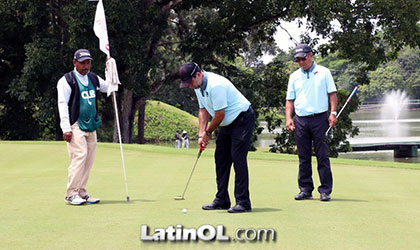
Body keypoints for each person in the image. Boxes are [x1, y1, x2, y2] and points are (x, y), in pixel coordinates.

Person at [179, 62, 255, 213]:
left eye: (190, 81)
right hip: (226, 123)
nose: (189, 86)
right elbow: (203, 110)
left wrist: (208, 133)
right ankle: (222, 199)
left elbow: (220, 114)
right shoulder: (198, 86)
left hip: (242, 119)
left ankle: (243, 202)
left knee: (237, 158)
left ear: (198, 75)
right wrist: (201, 134)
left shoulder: (216, 85)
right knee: (220, 159)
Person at [57, 49, 110, 205]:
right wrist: (65, 128)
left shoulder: (93, 78)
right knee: (79, 157)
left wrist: (110, 70)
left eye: (88, 62)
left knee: (88, 159)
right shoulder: (67, 80)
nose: (86, 66)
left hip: (91, 125)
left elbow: (108, 87)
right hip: (75, 125)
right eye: (82, 63)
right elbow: (62, 105)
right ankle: (71, 194)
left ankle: (81, 191)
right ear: (75, 63)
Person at [285, 44, 338, 202]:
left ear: (311, 55)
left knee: (322, 155)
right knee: (303, 156)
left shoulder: (324, 72)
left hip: (320, 118)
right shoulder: (294, 76)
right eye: (298, 59)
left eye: (303, 58)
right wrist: (288, 118)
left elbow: (332, 94)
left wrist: (333, 113)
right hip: (300, 119)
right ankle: (305, 189)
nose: (300, 62)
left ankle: (325, 190)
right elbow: (290, 100)